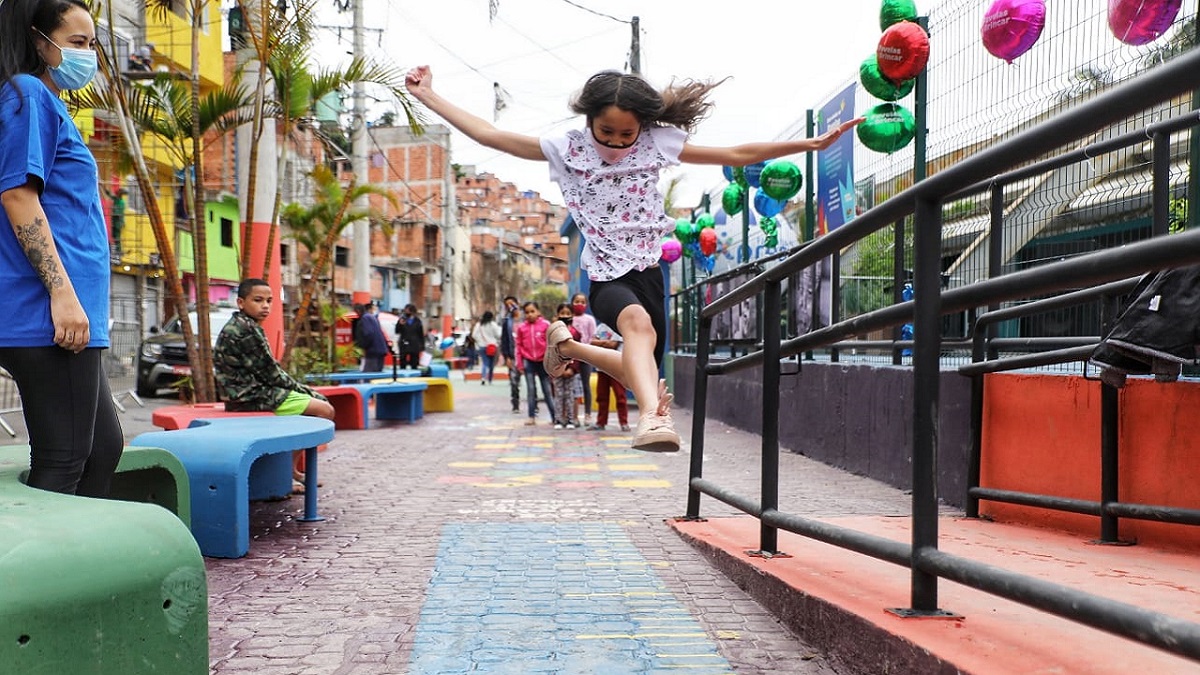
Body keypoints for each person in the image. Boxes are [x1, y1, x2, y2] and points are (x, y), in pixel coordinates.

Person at [406, 66, 862, 452]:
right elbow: (491, 135)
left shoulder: (656, 142)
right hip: (607, 274)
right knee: (638, 332)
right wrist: (429, 95)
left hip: (648, 270)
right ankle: (652, 419)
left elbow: (736, 153)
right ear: (589, 122)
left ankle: (565, 346)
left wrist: (808, 146)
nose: (619, 143)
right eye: (607, 133)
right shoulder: (566, 149)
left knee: (639, 367)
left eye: (628, 133)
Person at [0, 0, 122, 497]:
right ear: (37, 40)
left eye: (91, 44)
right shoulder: (27, 94)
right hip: (49, 313)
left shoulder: (45, 102)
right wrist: (62, 293)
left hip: (68, 314)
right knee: (64, 457)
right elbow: (17, 194)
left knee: (101, 448)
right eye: (77, 42)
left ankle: (80, 567)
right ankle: (35, 573)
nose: (87, 54)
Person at [214, 279, 335, 491]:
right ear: (241, 302)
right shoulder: (246, 330)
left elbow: (269, 372)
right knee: (324, 410)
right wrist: (305, 390)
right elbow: (271, 374)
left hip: (247, 393)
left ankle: (290, 472)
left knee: (316, 405)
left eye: (269, 301)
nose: (265, 306)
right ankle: (288, 473)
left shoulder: (244, 325)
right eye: (258, 300)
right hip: (249, 396)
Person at [514, 301, 555, 426]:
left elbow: (551, 344)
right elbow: (518, 346)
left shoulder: (546, 325)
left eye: (532, 311)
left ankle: (555, 416)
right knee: (531, 389)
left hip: (543, 361)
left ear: (538, 312)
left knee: (547, 389)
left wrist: (552, 361)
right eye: (527, 312)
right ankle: (531, 416)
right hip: (528, 361)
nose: (530, 314)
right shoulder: (522, 328)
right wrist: (520, 364)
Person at [589, 322, 630, 432]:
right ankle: (601, 422)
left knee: (620, 396)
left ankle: (624, 422)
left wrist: (599, 343)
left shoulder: (618, 327)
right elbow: (592, 341)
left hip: (616, 367)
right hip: (601, 367)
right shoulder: (601, 327)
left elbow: (613, 344)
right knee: (602, 396)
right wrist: (604, 343)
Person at [550, 304, 582, 429]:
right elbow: (550, 351)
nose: (565, 316)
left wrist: (572, 369)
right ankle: (558, 419)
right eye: (562, 313)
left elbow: (578, 352)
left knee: (569, 395)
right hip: (557, 369)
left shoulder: (576, 333)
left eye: (567, 313)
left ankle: (570, 419)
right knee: (558, 395)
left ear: (572, 315)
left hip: (570, 370)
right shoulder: (552, 332)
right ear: (557, 315)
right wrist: (556, 368)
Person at [569, 292, 597, 427]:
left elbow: (592, 338)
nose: (579, 304)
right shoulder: (569, 319)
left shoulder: (589, 320)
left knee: (586, 385)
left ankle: (587, 414)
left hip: (585, 356)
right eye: (576, 301)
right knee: (571, 387)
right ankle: (572, 415)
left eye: (582, 302)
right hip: (572, 357)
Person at [499, 295, 522, 412]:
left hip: (526, 355)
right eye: (507, 304)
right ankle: (515, 404)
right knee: (514, 382)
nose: (510, 306)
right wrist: (506, 356)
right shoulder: (507, 322)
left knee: (531, 381)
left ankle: (534, 406)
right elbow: (504, 340)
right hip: (513, 356)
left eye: (512, 303)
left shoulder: (526, 318)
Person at [354, 301, 389, 372]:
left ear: (358, 311)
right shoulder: (372, 317)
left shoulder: (365, 318)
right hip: (380, 349)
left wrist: (363, 347)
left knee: (369, 374)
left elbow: (368, 334)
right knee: (378, 374)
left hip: (372, 351)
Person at [472, 310, 502, 385]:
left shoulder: (479, 325)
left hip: (482, 346)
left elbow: (474, 335)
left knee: (484, 362)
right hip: (492, 346)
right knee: (491, 364)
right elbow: (498, 335)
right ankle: (490, 379)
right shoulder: (493, 325)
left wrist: (479, 341)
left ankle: (483, 378)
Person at [394, 303, 424, 369]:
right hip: (404, 343)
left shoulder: (417, 321)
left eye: (408, 310)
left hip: (415, 344)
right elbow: (397, 331)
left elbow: (421, 334)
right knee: (403, 361)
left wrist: (422, 346)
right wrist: (400, 324)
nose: (406, 312)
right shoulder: (402, 319)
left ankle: (414, 374)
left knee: (414, 362)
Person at [100, 184, 126, 255]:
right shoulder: (116, 199)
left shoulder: (121, 202)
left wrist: (113, 210)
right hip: (114, 222)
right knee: (114, 237)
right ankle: (116, 250)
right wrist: (102, 186)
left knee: (117, 237)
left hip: (118, 222)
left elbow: (118, 213)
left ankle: (118, 251)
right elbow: (109, 194)